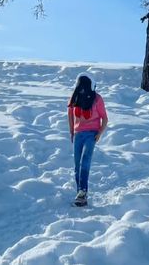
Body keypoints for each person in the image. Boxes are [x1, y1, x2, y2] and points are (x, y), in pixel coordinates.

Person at [67, 74, 108, 206]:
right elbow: (70, 114)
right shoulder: (76, 97)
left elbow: (104, 118)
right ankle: (80, 193)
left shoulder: (97, 99)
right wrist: (72, 131)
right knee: (77, 164)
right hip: (78, 133)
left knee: (85, 160)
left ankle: (83, 192)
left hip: (91, 134)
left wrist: (99, 133)